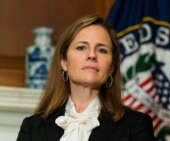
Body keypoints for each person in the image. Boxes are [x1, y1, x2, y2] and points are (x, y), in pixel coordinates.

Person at [16, 15, 154, 141]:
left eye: (102, 50)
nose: (92, 55)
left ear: (111, 68)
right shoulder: (32, 127)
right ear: (63, 62)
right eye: (81, 47)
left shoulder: (136, 125)